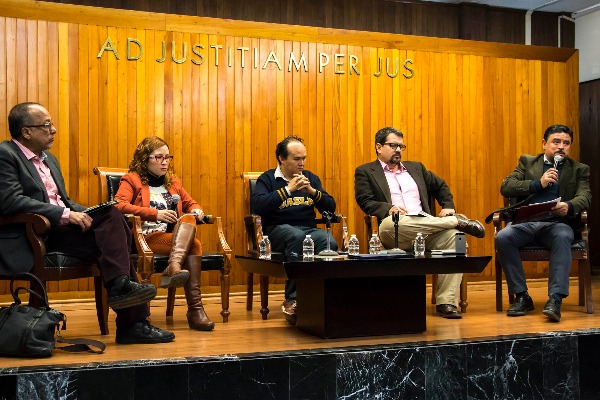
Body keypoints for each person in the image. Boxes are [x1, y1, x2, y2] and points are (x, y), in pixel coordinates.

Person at [0, 102, 174, 344]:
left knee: (112, 216)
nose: (54, 130)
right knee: (116, 243)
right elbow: (10, 201)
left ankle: (122, 290)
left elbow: (65, 201)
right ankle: (131, 322)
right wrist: (66, 214)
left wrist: (90, 211)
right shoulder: (6, 154)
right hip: (32, 235)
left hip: (59, 231)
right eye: (46, 125)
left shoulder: (50, 160)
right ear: (26, 132)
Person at [354, 127, 486, 319]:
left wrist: (448, 206)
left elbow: (441, 186)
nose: (398, 150)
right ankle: (455, 221)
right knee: (392, 224)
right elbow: (365, 201)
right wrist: (388, 208)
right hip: (396, 230)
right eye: (393, 145)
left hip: (427, 229)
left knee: (456, 238)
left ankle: (447, 302)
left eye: (401, 146)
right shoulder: (366, 171)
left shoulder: (416, 168)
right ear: (379, 147)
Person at [114, 136, 214, 331]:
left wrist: (197, 210)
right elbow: (118, 205)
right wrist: (155, 214)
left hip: (172, 237)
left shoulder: (173, 181)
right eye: (159, 157)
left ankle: (174, 268)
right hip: (146, 238)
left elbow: (190, 203)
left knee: (189, 219)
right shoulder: (132, 179)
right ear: (144, 159)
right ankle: (195, 310)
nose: (165, 162)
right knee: (194, 245)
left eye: (168, 157)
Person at [495, 124, 591, 322]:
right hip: (525, 222)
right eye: (556, 142)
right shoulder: (527, 162)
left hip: (556, 224)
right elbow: (507, 187)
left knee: (563, 236)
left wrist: (569, 206)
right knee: (503, 237)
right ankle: (522, 296)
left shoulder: (579, 169)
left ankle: (555, 299)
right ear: (544, 143)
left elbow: (585, 196)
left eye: (566, 143)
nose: (561, 147)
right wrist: (538, 183)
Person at [253, 135, 338, 323]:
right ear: (282, 159)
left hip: (308, 229)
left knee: (328, 242)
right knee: (297, 237)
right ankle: (293, 299)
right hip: (277, 230)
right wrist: (288, 190)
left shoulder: (311, 178)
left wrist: (312, 192)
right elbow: (258, 205)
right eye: (297, 159)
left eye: (304, 158)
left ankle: (322, 296)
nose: (302, 163)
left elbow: (331, 207)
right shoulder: (268, 179)